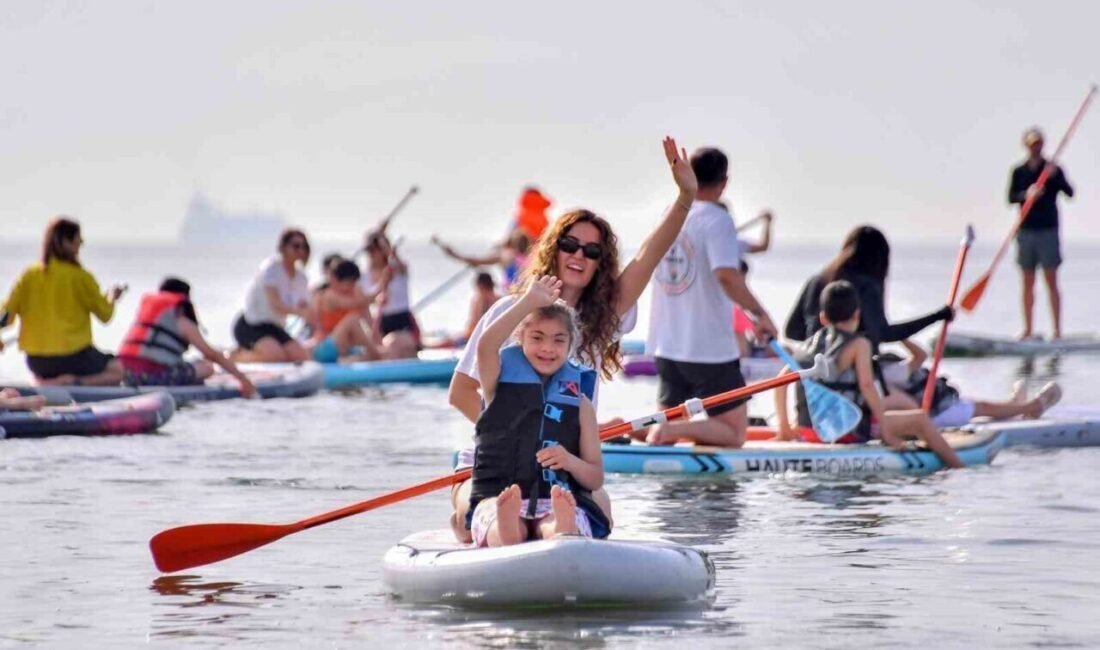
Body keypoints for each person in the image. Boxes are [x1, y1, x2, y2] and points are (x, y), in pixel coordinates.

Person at [447, 136, 699, 543]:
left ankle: (553, 527)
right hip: (497, 460)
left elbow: (648, 256)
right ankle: (474, 514)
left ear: (601, 263)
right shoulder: (511, 311)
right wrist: (516, 435)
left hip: (564, 462)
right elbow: (460, 392)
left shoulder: (605, 319)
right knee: (466, 522)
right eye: (569, 245)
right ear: (554, 248)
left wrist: (685, 198)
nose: (579, 255)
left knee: (603, 513)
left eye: (592, 251)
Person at [644, 147, 778, 448]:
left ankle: (656, 431)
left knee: (667, 427)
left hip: (667, 344)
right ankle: (668, 431)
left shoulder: (670, 214)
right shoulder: (718, 219)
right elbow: (727, 276)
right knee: (734, 434)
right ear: (724, 182)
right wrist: (761, 315)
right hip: (709, 350)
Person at [468, 275, 606, 547]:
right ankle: (508, 529)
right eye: (537, 337)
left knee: (560, 517)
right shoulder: (496, 384)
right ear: (520, 338)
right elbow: (486, 345)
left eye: (558, 340)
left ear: (570, 345)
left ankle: (561, 527)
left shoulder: (581, 405)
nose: (547, 348)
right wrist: (527, 302)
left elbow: (595, 477)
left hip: (555, 498)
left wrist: (569, 460)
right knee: (496, 516)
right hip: (499, 497)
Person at [774, 281, 964, 468]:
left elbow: (780, 382)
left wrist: (784, 428)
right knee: (920, 420)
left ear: (823, 318)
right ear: (857, 314)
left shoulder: (807, 347)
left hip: (808, 431)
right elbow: (867, 386)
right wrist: (886, 432)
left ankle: (919, 451)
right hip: (846, 432)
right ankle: (958, 467)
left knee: (899, 419)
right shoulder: (859, 345)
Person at [0, 217, 127, 386]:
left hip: (37, 361)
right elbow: (105, 315)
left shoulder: (29, 275)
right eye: (78, 239)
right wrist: (112, 297)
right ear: (65, 242)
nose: (81, 244)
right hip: (73, 357)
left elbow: (5, 316)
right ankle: (72, 381)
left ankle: (46, 383)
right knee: (118, 370)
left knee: (47, 370)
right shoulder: (80, 277)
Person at [784, 225, 952, 352]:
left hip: (813, 368)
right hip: (852, 373)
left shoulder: (817, 280)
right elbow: (883, 333)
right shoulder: (866, 286)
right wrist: (938, 316)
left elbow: (792, 331)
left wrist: (822, 340)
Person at [118, 278, 257, 396]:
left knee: (188, 363)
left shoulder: (148, 315)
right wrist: (242, 379)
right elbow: (211, 354)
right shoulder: (181, 319)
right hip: (153, 377)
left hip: (125, 374)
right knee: (207, 367)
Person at [877, 339, 1062, 427]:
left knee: (979, 406)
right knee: (981, 408)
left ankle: (1021, 405)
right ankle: (1025, 406)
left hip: (938, 408)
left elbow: (920, 357)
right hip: (936, 413)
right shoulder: (883, 373)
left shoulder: (885, 371)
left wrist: (897, 334)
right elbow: (921, 356)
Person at [1008, 127, 1075, 340]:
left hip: (1048, 231)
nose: (1035, 147)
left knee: (1051, 280)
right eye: (1032, 143)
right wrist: (1026, 195)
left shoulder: (1052, 169)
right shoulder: (1019, 171)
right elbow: (1011, 197)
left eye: (1038, 143)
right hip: (1026, 231)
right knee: (1027, 282)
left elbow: (1070, 193)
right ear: (1026, 145)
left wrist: (1055, 178)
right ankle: (1028, 329)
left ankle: (1057, 330)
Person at [231, 228, 313, 363]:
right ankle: (234, 357)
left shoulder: (301, 278)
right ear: (284, 247)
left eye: (304, 246)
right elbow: (275, 304)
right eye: (296, 246)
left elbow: (304, 305)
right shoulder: (271, 268)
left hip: (275, 327)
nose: (300, 250)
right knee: (275, 356)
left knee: (301, 356)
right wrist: (300, 312)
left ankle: (258, 351)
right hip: (252, 323)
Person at [308, 260, 385, 363]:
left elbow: (370, 323)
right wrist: (383, 284)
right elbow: (357, 303)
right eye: (348, 283)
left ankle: (374, 354)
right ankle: (377, 355)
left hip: (346, 349)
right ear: (335, 281)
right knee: (352, 320)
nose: (351, 288)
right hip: (325, 347)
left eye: (354, 284)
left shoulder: (356, 297)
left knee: (387, 349)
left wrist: (379, 343)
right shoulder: (329, 296)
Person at [361, 232, 419, 356]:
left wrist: (387, 248)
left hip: (402, 319)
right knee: (381, 350)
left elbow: (396, 260)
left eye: (375, 250)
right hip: (381, 321)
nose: (371, 255)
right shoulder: (365, 276)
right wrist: (383, 283)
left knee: (394, 346)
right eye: (369, 251)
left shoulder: (399, 269)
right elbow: (367, 300)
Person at [432, 229, 531, 290]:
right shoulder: (530, 258)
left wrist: (452, 254)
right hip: (526, 292)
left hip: (513, 294)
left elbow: (477, 261)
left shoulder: (505, 255)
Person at [424, 272, 501, 349]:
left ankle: (427, 346)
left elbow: (474, 324)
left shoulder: (479, 300)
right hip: (490, 335)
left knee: (451, 341)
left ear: (481, 285)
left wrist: (467, 334)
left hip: (476, 337)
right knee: (452, 337)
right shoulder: (499, 299)